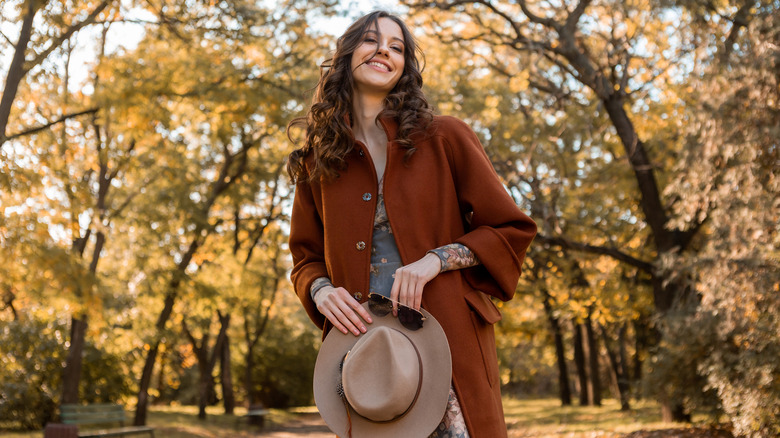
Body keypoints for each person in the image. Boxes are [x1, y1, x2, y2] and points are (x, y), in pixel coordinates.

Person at [286, 10, 537, 438]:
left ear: (404, 68)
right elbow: (305, 259)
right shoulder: (318, 161)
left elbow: (510, 229)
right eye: (370, 40)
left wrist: (434, 262)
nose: (384, 49)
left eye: (397, 46)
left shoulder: (446, 137)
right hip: (365, 359)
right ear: (347, 56)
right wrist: (321, 290)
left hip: (448, 346)